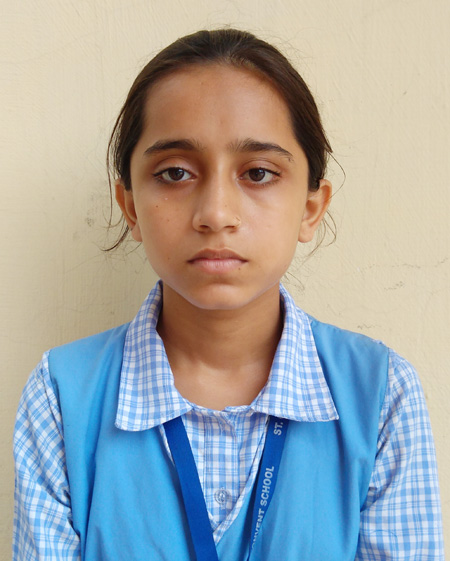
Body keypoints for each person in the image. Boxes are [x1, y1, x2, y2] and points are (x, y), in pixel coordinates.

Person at [13, 29, 444, 560]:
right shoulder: (62, 398)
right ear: (130, 207)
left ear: (310, 208)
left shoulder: (380, 394)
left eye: (258, 173)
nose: (216, 213)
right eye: (175, 173)